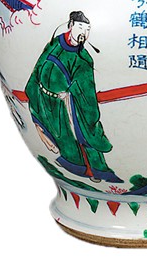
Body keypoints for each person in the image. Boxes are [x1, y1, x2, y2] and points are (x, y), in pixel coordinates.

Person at [25, 11, 122, 183]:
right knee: (60, 140)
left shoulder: (84, 59)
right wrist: (34, 94)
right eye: (81, 27)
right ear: (70, 25)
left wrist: (70, 95)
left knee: (79, 135)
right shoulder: (54, 44)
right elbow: (38, 69)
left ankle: (96, 171)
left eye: (88, 29)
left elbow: (86, 91)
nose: (84, 33)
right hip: (44, 100)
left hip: (66, 106)